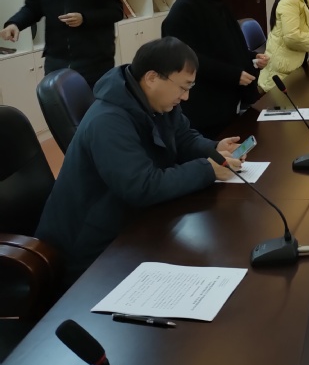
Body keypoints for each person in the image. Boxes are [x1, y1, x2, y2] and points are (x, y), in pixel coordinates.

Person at [35, 37, 242, 286]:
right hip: (91, 250)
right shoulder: (108, 121)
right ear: (152, 78)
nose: (185, 97)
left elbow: (183, 137)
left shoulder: (156, 101)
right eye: (182, 87)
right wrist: (206, 169)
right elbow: (142, 186)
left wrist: (214, 149)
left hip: (132, 221)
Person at [161, 0, 268, 137]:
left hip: (228, 101)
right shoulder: (183, 10)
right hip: (206, 110)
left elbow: (227, 46)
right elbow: (187, 59)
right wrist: (232, 74)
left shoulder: (217, 4)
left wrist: (251, 57)